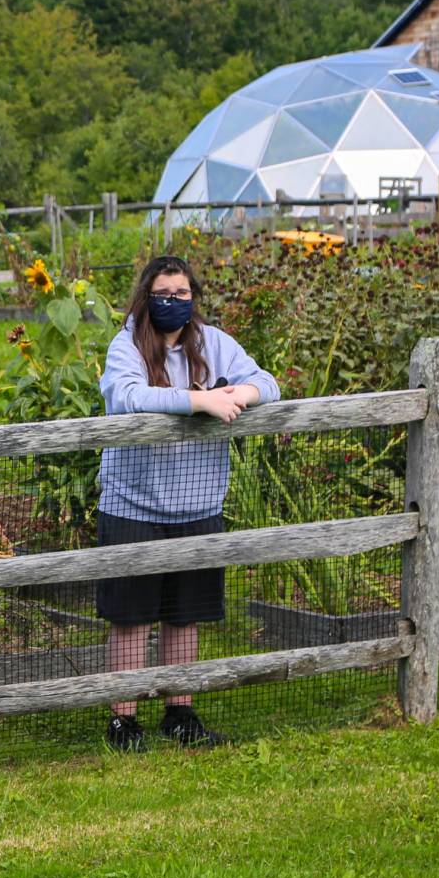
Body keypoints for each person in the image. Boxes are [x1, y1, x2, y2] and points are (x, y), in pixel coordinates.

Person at [95, 255, 280, 752]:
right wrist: (199, 401)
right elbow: (129, 397)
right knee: (131, 619)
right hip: (133, 506)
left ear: (193, 296)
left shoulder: (215, 343)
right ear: (146, 297)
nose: (173, 302)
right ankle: (123, 721)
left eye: (181, 294)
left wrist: (237, 391)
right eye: (163, 294)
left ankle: (180, 713)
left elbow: (269, 383)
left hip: (198, 507)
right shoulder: (128, 344)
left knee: (185, 616)